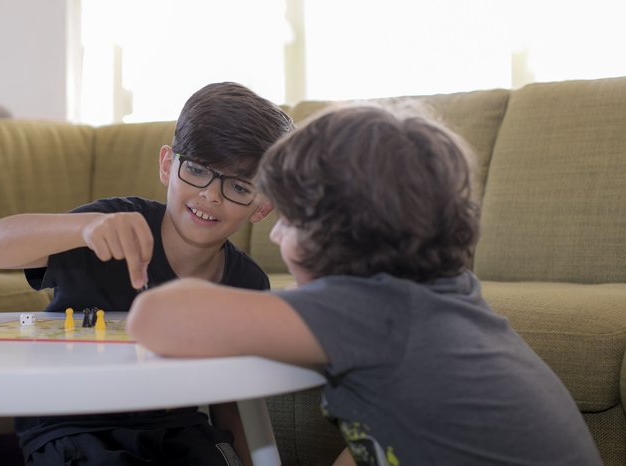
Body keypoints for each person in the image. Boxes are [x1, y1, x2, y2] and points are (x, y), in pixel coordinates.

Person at [127, 104, 603, 466]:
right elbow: (378, 445)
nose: (273, 233)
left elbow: (155, 317)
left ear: (336, 230)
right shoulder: (442, 297)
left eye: (289, 221)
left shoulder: (365, 311)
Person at [0, 82, 293, 466]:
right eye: (197, 170)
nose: (211, 195)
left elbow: (229, 399)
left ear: (261, 207)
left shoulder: (247, 284)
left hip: (178, 429)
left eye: (238, 186)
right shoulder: (109, 225)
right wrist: (81, 229)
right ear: (167, 165)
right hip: (71, 425)